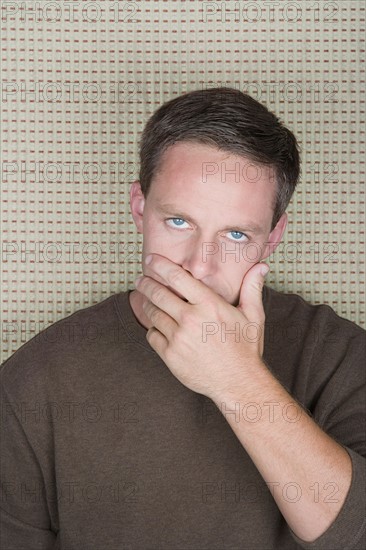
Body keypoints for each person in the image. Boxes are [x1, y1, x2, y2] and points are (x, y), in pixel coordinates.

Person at [1, 87, 364, 550]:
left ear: (272, 238)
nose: (199, 265)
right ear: (139, 208)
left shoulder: (337, 355)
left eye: (235, 234)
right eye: (178, 222)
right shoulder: (34, 380)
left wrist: (238, 382)